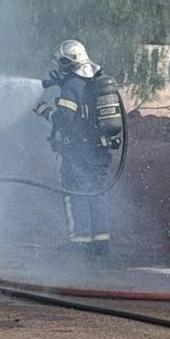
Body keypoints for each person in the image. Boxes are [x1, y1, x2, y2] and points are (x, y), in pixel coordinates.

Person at [33, 39, 112, 255]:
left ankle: (79, 245)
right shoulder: (96, 80)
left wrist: (44, 111)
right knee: (96, 192)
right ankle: (101, 244)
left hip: (78, 151)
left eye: (61, 62)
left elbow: (64, 119)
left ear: (68, 62)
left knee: (75, 193)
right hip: (99, 150)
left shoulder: (71, 86)